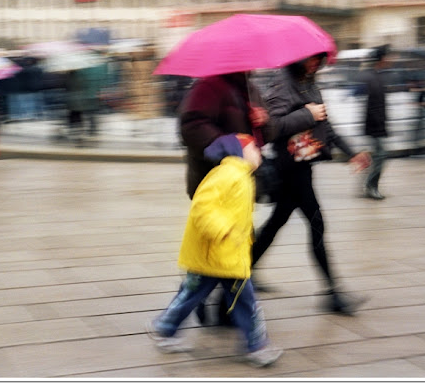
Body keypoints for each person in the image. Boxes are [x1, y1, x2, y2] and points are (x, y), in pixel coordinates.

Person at [146, 133, 284, 368]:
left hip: (226, 254)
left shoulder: (242, 176)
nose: (259, 152)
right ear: (240, 152)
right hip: (218, 252)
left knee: (194, 294)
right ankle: (257, 346)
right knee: (242, 300)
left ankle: (164, 328)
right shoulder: (228, 174)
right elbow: (203, 207)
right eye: (255, 148)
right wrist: (224, 231)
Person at [251, 52, 371, 315]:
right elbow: (273, 127)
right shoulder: (283, 83)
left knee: (275, 224)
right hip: (289, 168)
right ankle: (332, 293)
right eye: (310, 58)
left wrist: (351, 152)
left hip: (303, 166)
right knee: (316, 223)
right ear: (298, 57)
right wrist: (307, 114)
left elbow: (325, 126)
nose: (315, 62)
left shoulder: (308, 82)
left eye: (319, 59)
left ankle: (243, 272)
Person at [178, 72, 275, 325]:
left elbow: (265, 135)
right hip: (213, 183)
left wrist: (263, 121)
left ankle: (221, 307)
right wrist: (230, 144)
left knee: (231, 249)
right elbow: (190, 125)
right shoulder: (208, 86)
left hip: (241, 185)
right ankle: (191, 309)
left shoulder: (251, 88)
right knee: (214, 251)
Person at [357, 45, 391, 199]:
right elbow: (369, 105)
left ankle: (367, 185)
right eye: (387, 57)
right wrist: (377, 125)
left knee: (377, 157)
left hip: (377, 125)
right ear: (381, 59)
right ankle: (370, 187)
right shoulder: (370, 77)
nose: (389, 60)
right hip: (373, 126)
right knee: (381, 156)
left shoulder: (377, 76)